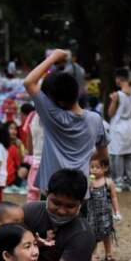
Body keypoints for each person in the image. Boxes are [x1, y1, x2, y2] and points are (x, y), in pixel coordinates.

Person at [23, 49, 108, 196]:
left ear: (59, 103)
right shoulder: (95, 119)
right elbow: (103, 154)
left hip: (52, 189)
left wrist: (53, 57)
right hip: (79, 191)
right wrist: (83, 155)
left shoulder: (52, 116)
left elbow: (29, 81)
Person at [107, 68, 131, 192]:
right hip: (130, 125)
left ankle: (118, 182)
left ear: (118, 80)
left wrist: (113, 101)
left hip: (118, 126)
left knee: (117, 155)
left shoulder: (117, 95)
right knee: (130, 155)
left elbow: (110, 113)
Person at [87, 157, 120, 261]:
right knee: (92, 234)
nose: (94, 169)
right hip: (92, 213)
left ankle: (108, 253)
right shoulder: (89, 181)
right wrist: (88, 186)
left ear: (105, 168)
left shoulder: (108, 182)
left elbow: (114, 197)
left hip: (105, 213)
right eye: (92, 167)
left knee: (107, 233)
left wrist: (117, 211)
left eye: (98, 167)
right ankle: (93, 253)